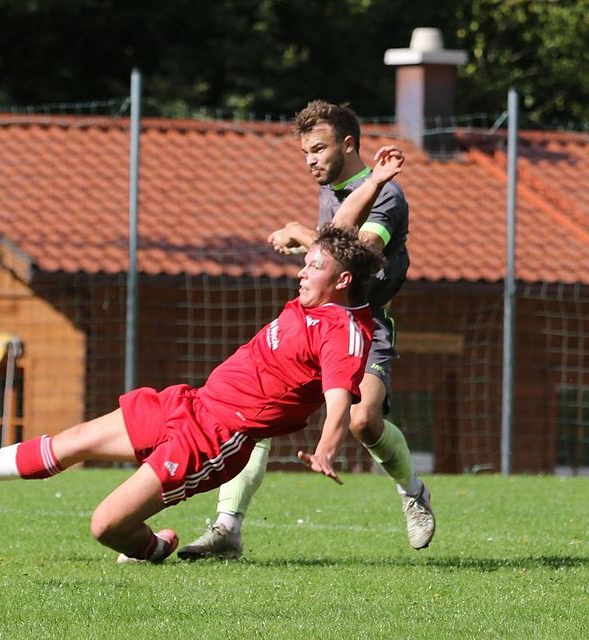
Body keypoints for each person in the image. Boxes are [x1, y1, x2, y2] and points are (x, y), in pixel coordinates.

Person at [0, 224, 385, 563]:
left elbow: (338, 402)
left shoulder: (342, 332)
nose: (301, 272)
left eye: (312, 268)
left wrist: (327, 450)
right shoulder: (321, 295)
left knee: (105, 526)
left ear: (341, 280)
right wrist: (345, 203)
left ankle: (155, 547)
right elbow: (342, 252)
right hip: (190, 402)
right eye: (305, 264)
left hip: (215, 439)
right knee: (73, 441)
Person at [177, 100, 435, 561]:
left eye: (318, 149)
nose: (310, 160)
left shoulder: (387, 196)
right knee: (253, 415)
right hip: (314, 325)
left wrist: (302, 234)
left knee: (363, 421)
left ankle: (413, 492)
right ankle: (226, 528)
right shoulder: (333, 188)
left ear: (349, 144)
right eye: (305, 153)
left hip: (365, 324)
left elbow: (356, 254)